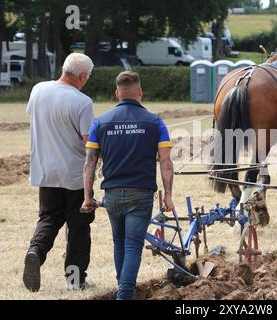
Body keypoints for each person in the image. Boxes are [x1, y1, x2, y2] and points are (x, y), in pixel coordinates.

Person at [81, 71, 175, 300]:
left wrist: (87, 196)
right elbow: (166, 161)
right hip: (140, 193)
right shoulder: (155, 122)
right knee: (133, 246)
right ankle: (124, 294)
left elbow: (89, 163)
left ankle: (123, 286)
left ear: (117, 93)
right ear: (140, 93)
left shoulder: (100, 122)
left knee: (119, 243)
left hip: (112, 193)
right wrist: (169, 195)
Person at [23, 53, 95, 292]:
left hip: (45, 170)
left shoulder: (38, 90)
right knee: (78, 227)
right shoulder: (82, 102)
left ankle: (36, 251)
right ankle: (75, 280)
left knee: (49, 218)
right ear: (83, 76)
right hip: (75, 175)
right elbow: (89, 142)